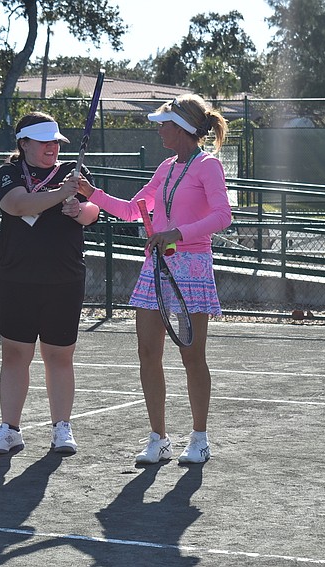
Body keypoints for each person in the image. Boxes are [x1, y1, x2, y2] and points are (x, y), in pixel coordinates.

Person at [76, 94, 232, 464]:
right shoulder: (165, 167)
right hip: (155, 268)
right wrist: (91, 193)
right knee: (147, 353)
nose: (159, 129)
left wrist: (177, 233)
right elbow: (134, 210)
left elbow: (223, 215)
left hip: (191, 266)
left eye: (165, 124)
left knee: (192, 356)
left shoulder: (207, 166)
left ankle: (199, 438)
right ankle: (159, 439)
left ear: (183, 129)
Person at [0, 111, 100, 456]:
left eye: (55, 142)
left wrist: (77, 209)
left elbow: (93, 211)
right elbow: (17, 204)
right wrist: (60, 194)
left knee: (59, 356)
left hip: (64, 278)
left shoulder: (71, 173)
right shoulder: (8, 173)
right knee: (15, 354)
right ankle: (10, 429)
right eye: (44, 141)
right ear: (24, 143)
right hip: (17, 278)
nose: (52, 147)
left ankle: (62, 428)